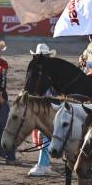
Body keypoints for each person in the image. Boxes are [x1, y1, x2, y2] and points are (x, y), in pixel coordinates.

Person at [27, 43, 57, 177]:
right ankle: (44, 163)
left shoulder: (38, 70)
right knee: (45, 134)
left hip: (45, 106)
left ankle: (43, 164)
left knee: (44, 134)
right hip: (51, 104)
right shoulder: (50, 69)